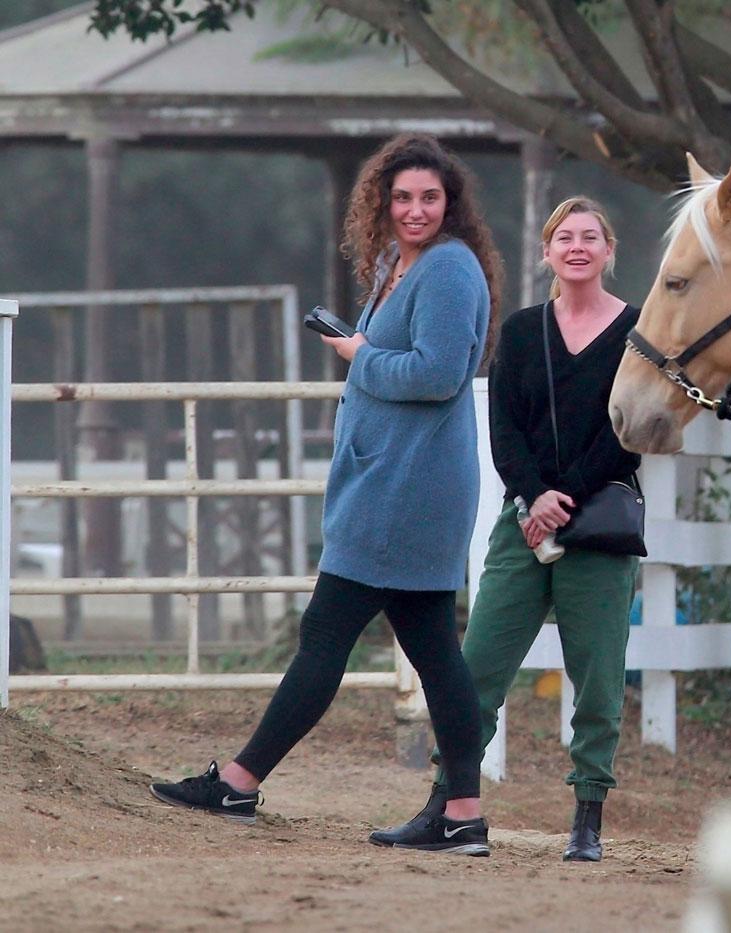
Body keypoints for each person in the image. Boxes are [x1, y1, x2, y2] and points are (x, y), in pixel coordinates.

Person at [149, 133, 505, 855]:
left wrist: (359, 355)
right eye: (401, 196)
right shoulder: (397, 265)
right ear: (381, 199)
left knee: (329, 636)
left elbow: (438, 373)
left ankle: (240, 782)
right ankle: (462, 812)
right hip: (388, 482)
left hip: (404, 491)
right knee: (436, 652)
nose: (414, 209)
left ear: (451, 202)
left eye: (429, 197)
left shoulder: (449, 270)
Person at [371, 196, 641, 862]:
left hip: (598, 529)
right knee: (476, 668)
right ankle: (447, 802)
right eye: (563, 237)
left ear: (608, 250)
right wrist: (532, 496)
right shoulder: (521, 331)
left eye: (589, 237)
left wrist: (565, 497)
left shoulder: (640, 332)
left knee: (598, 676)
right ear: (547, 252)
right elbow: (504, 429)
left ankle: (587, 815)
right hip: (523, 525)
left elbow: (628, 432)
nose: (576, 247)